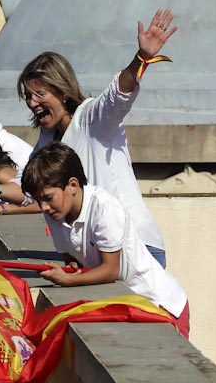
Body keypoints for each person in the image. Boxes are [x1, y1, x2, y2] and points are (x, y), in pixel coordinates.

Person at [17, 8, 176, 266]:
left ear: (63, 92)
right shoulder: (47, 140)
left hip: (134, 248)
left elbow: (118, 94)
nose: (33, 103)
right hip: (97, 255)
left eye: (40, 94)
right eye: (28, 96)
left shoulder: (91, 119)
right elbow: (28, 187)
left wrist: (141, 58)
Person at [21, 143, 189, 337]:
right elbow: (73, 261)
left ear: (73, 185)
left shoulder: (104, 208)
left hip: (159, 303)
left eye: (48, 198)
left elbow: (110, 270)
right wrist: (70, 269)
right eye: (38, 201)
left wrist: (68, 279)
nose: (44, 208)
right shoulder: (56, 214)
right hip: (126, 302)